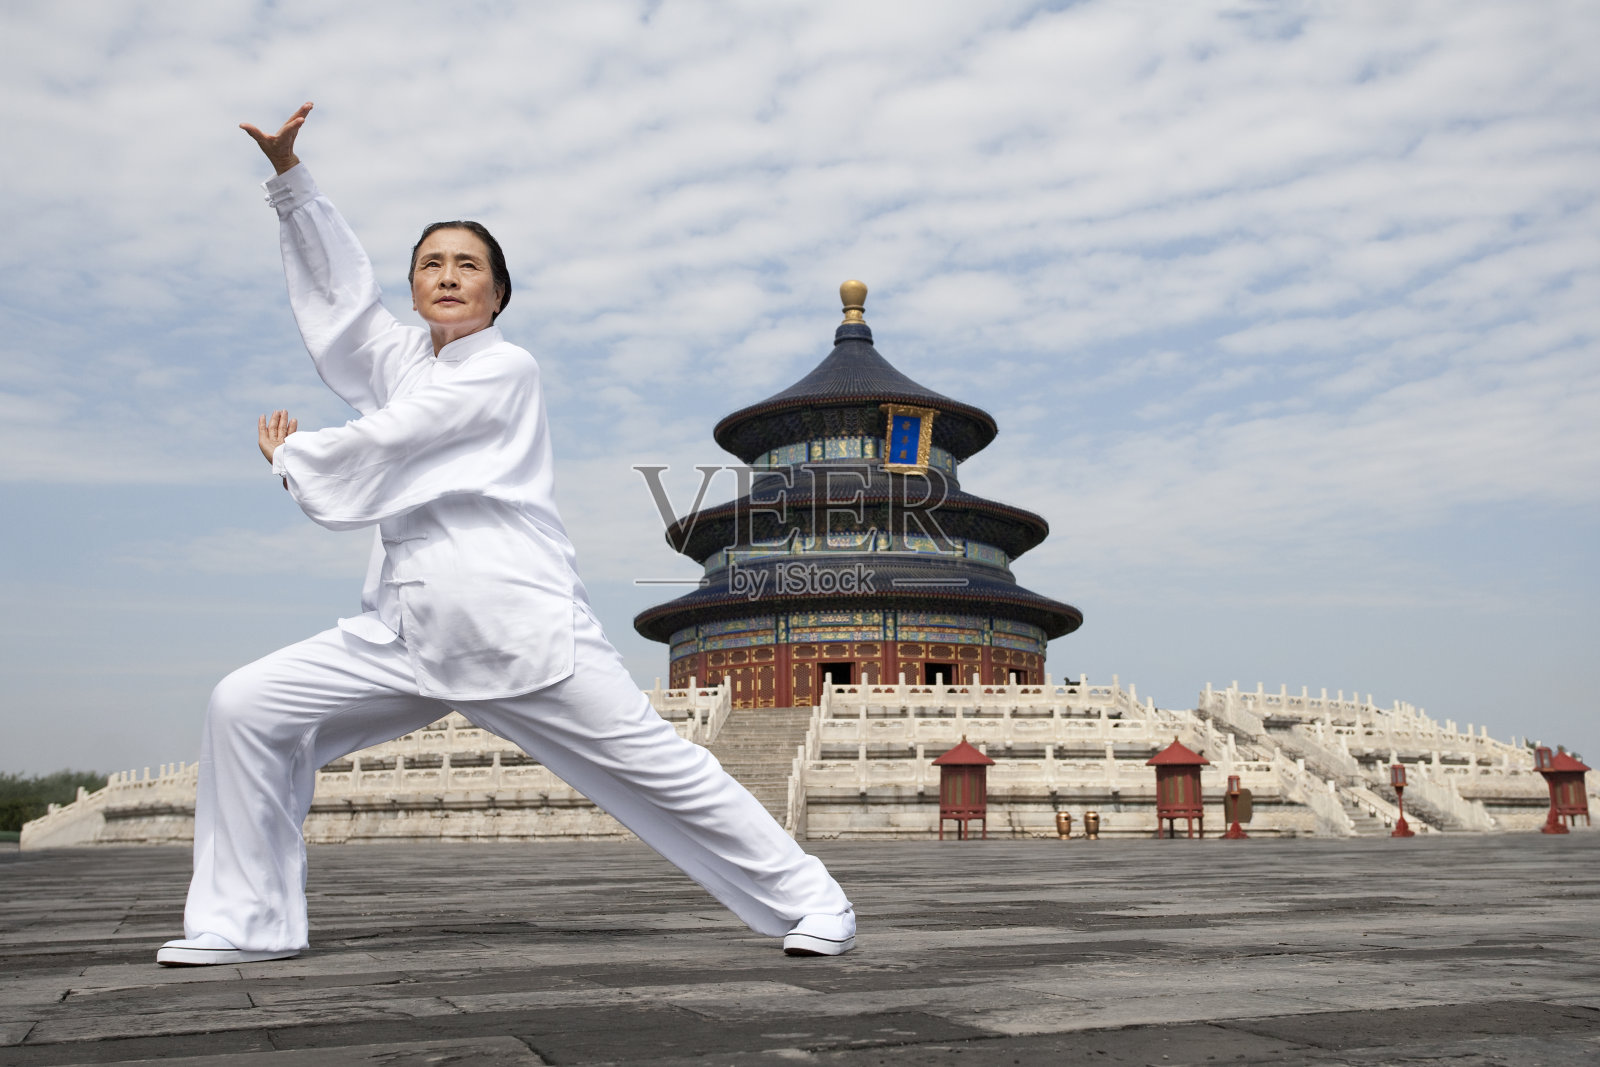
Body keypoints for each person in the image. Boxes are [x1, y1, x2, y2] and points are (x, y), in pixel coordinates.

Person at [156, 102, 855, 966]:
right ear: (413, 286)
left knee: (662, 771)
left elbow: (398, 439)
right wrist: (292, 184)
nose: (447, 276)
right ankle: (246, 920)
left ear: (498, 292)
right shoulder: (404, 361)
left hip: (518, 627)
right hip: (406, 629)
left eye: (468, 265)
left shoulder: (500, 369)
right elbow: (342, 299)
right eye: (430, 264)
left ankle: (815, 900)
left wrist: (296, 453)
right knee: (246, 706)